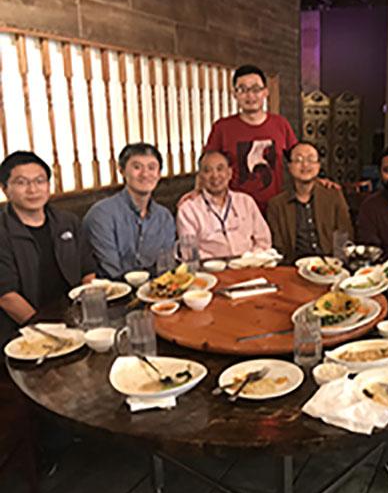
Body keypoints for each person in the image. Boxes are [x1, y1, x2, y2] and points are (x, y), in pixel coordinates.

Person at [0, 151, 96, 345]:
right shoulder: (3, 230)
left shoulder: (67, 221)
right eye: (21, 182)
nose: (33, 189)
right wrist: (50, 334)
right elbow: (6, 297)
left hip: (74, 320)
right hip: (23, 332)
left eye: (40, 181)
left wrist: (90, 313)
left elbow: (88, 271)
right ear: (5, 189)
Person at [203, 64, 297, 213]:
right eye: (243, 90)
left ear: (265, 92)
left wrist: (318, 182)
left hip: (275, 209)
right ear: (234, 94)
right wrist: (197, 192)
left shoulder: (280, 124)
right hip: (234, 211)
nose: (250, 96)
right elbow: (207, 165)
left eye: (255, 89)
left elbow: (297, 159)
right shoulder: (222, 127)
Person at [83, 143, 176, 279]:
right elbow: (112, 272)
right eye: (137, 167)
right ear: (121, 171)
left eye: (151, 168)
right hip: (115, 293)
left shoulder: (164, 217)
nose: (145, 174)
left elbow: (166, 267)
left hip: (157, 291)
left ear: (159, 174)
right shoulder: (101, 215)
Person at [266, 141, 353, 262]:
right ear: (289, 166)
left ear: (318, 165)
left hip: (330, 265)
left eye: (311, 159)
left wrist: (337, 265)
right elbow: (278, 248)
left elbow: (344, 235)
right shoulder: (276, 205)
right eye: (298, 160)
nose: (305, 164)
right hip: (293, 268)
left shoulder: (333, 195)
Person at [177, 150, 271, 259]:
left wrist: (250, 259)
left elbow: (264, 241)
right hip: (209, 271)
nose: (215, 175)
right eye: (207, 171)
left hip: (250, 266)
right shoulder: (188, 209)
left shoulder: (246, 202)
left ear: (229, 173)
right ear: (200, 177)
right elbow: (189, 252)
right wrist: (219, 264)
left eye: (220, 169)